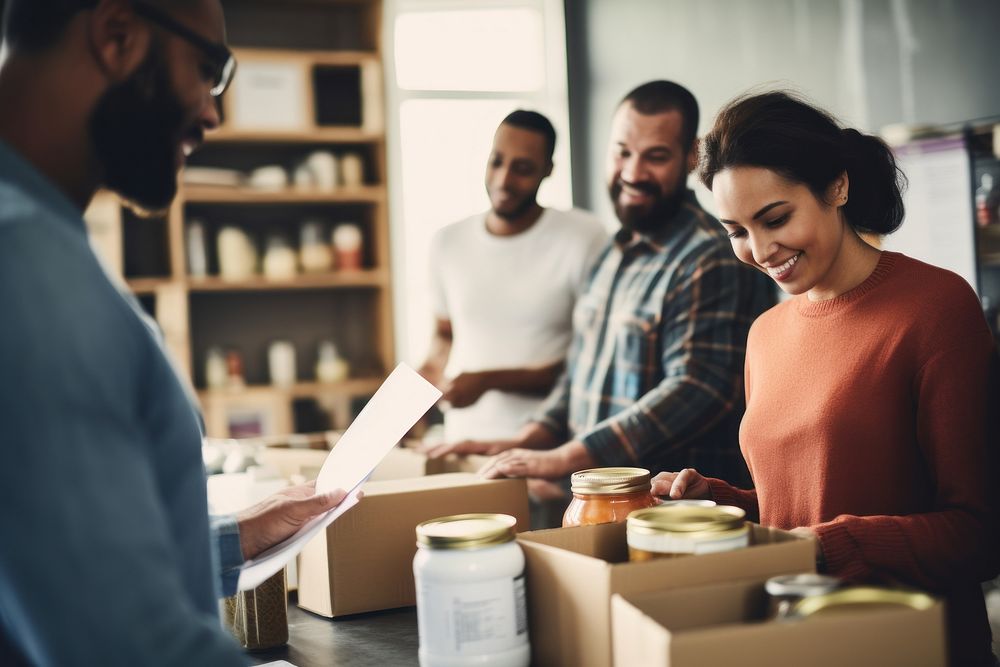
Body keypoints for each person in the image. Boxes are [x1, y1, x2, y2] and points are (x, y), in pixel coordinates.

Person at [0, 1, 347, 664]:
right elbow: (129, 646)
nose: (214, 112)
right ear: (118, 35)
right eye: (208, 70)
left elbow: (47, 560)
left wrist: (231, 537)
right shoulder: (24, 264)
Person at [652, 90, 1000, 666]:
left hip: (908, 646)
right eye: (736, 230)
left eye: (775, 218)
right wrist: (718, 503)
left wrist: (832, 546)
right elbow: (799, 510)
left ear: (837, 187)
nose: (760, 250)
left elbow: (979, 533)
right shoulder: (764, 332)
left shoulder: (936, 307)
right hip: (794, 640)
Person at [430, 81, 773, 486]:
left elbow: (698, 387)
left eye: (655, 157)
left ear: (691, 157)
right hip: (600, 499)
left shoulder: (710, 256)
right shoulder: (614, 252)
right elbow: (580, 369)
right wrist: (529, 440)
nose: (632, 172)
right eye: (622, 152)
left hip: (672, 515)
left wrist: (569, 455)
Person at [418, 110, 606, 445]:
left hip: (546, 446)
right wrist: (410, 403)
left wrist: (490, 380)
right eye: (496, 162)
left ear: (548, 170)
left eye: (522, 168)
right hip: (461, 442)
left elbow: (597, 360)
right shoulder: (447, 242)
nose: (504, 180)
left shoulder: (584, 237)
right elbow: (442, 339)